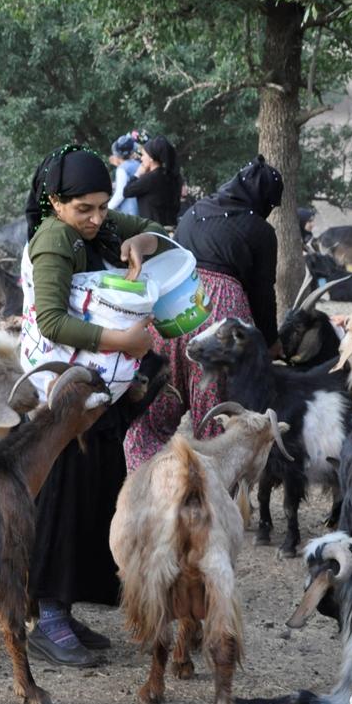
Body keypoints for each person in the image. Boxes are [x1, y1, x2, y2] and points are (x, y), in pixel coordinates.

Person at [22, 144, 169, 667]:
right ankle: (48, 616)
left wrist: (141, 243)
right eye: (84, 208)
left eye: (103, 206)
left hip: (96, 391)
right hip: (62, 393)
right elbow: (52, 322)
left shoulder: (99, 229)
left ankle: (65, 608)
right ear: (55, 201)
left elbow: (157, 231)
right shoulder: (55, 239)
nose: (96, 218)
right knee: (62, 501)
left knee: (91, 495)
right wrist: (124, 344)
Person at [124, 155, 283, 472]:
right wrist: (269, 341)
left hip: (174, 308)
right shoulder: (260, 231)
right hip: (219, 324)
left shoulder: (193, 213)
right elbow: (262, 293)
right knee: (215, 421)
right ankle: (208, 501)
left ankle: (148, 487)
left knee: (154, 412)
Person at [123, 134, 182, 229]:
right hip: (172, 228)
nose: (141, 158)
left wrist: (137, 174)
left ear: (151, 158)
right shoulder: (173, 176)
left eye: (143, 155)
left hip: (154, 230)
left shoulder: (150, 178)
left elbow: (126, 192)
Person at [107, 132, 141, 215]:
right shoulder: (138, 164)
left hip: (129, 212)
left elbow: (121, 193)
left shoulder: (122, 169)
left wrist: (107, 209)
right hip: (141, 210)